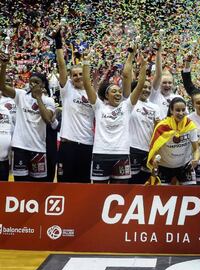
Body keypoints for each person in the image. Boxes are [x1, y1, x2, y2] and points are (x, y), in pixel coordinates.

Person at [82, 48, 147, 184]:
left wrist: (143, 66)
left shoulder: (126, 106)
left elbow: (140, 85)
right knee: (99, 193)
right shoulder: (99, 106)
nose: (118, 93)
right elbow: (87, 84)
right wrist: (86, 62)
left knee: (121, 192)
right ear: (106, 95)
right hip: (100, 153)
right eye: (114, 91)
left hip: (122, 153)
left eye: (119, 91)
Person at [0, 52, 55, 182]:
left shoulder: (49, 101)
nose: (32, 85)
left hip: (38, 148)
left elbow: (47, 119)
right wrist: (4, 66)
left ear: (43, 85)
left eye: (36, 82)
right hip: (20, 147)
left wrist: (38, 99)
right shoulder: (21, 95)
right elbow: (2, 87)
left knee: (38, 185)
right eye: (31, 82)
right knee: (20, 184)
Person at [54, 26, 95, 183]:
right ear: (70, 78)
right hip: (68, 146)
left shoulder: (92, 95)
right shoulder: (67, 90)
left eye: (80, 74)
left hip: (87, 145)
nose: (78, 77)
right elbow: (61, 65)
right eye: (74, 75)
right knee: (64, 185)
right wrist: (58, 42)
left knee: (83, 186)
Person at [147, 97, 200, 185]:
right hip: (164, 167)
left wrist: (196, 159)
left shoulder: (190, 126)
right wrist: (154, 160)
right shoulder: (162, 127)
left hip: (185, 165)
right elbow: (153, 148)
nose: (181, 113)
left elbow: (196, 149)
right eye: (177, 110)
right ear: (171, 110)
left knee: (191, 193)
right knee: (163, 196)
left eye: (183, 110)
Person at [128, 78, 161, 184]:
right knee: (131, 181)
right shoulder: (130, 103)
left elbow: (158, 129)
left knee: (145, 181)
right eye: (144, 87)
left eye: (149, 88)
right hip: (133, 148)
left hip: (149, 150)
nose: (146, 90)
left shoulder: (155, 107)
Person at [149, 41, 183, 119]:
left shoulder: (179, 98)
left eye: (169, 83)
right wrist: (158, 51)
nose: (167, 85)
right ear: (159, 84)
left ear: (173, 84)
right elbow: (158, 75)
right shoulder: (154, 95)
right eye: (164, 82)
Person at [0, 75, 16, 181]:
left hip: (15, 138)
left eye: (9, 81)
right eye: (4, 81)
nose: (7, 82)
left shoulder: (18, 97)